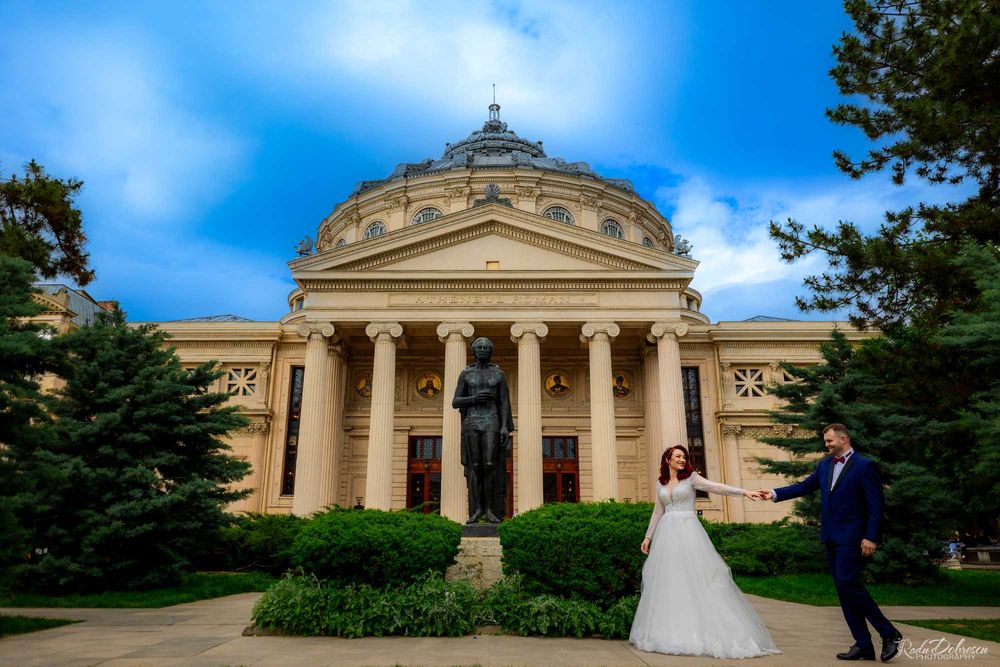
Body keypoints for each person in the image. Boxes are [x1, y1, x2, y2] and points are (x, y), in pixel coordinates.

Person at [757, 424, 902, 662]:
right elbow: (804, 486)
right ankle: (863, 643)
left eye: (829, 441)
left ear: (843, 439)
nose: (826, 445)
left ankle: (889, 633)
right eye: (826, 441)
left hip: (854, 538)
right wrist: (773, 493)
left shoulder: (865, 466)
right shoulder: (825, 465)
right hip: (831, 537)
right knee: (843, 591)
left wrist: (871, 536)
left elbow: (876, 506)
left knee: (848, 582)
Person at [630, 445, 780, 659]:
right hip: (666, 535)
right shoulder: (660, 483)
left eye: (684, 457)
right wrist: (648, 537)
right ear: (668, 459)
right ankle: (669, 631)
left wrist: (744, 492)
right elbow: (658, 510)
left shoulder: (691, 478)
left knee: (699, 578)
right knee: (671, 580)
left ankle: (708, 632)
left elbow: (715, 487)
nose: (682, 459)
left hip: (689, 531)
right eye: (678, 456)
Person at [452, 337, 513, 523]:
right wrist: (474, 398)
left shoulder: (498, 375)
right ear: (474, 350)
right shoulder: (466, 374)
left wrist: (504, 426)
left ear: (490, 351)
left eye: (486, 347)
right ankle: (477, 509)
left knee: (490, 465)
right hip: (471, 422)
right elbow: (455, 401)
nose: (483, 349)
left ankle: (490, 510)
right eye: (479, 347)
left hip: (492, 421)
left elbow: (504, 402)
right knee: (475, 467)